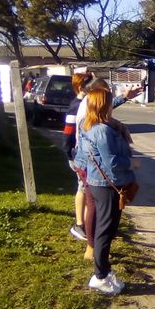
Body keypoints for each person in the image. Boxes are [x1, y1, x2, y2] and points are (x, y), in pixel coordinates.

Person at [74, 87, 136, 295]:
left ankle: (104, 271)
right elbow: (112, 163)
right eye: (110, 101)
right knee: (105, 232)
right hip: (107, 185)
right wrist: (131, 163)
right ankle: (100, 276)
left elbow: (87, 156)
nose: (112, 105)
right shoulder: (102, 130)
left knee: (104, 229)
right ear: (103, 105)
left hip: (97, 182)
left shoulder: (91, 123)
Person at [63, 72, 93, 246]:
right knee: (83, 188)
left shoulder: (86, 102)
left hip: (81, 153)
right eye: (90, 84)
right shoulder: (76, 105)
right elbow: (68, 131)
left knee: (85, 188)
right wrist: (69, 152)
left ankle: (87, 223)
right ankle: (80, 224)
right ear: (81, 87)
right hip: (77, 154)